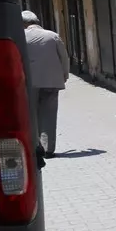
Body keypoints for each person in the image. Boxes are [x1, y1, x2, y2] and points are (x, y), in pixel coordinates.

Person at [22, 11, 70, 157]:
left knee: (33, 114)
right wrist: (64, 75)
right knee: (49, 115)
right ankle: (48, 149)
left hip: (29, 83)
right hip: (51, 81)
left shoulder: (21, 36)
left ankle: (36, 146)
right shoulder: (52, 35)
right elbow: (64, 57)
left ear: (24, 23)